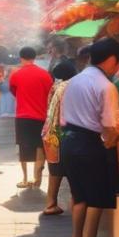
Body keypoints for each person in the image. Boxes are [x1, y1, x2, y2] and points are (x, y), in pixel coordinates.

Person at [59, 38, 119, 237]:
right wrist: (115, 140)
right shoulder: (106, 86)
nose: (118, 67)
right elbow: (109, 125)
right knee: (84, 199)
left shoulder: (73, 81)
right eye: (118, 62)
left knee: (86, 194)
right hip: (89, 143)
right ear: (111, 60)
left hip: (69, 142)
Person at [8, 47, 54, 188]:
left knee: (23, 147)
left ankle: (25, 178)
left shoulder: (16, 75)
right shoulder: (45, 74)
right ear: (35, 57)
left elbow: (13, 91)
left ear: (21, 57)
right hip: (41, 116)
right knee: (40, 146)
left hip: (23, 115)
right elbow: (50, 94)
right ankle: (37, 178)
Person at [41, 61, 78, 216]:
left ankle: (50, 203)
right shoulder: (73, 86)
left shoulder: (56, 86)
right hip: (65, 132)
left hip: (50, 131)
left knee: (55, 171)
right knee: (74, 170)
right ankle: (77, 203)